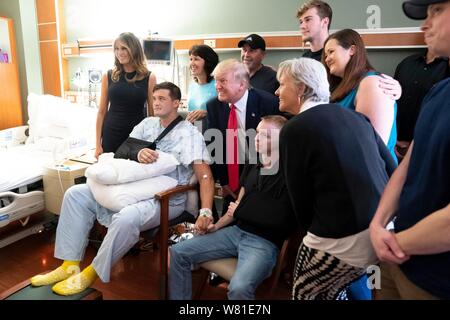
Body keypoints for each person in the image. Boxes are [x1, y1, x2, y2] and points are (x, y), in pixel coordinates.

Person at [30, 82, 215, 296]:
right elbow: (124, 149)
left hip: (166, 198)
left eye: (162, 99)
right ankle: (68, 265)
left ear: (176, 103)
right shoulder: (147, 124)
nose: (156, 103)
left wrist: (206, 211)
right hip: (133, 187)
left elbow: (205, 176)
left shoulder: (189, 134)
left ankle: (92, 272)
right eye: (154, 99)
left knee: (127, 217)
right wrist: (138, 153)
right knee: (75, 194)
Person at [277, 58, 396, 300]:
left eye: (282, 84)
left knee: (304, 294)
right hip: (382, 227)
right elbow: (391, 167)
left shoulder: (294, 129)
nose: (277, 91)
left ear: (301, 88)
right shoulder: (355, 117)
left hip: (341, 238)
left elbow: (300, 198)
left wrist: (315, 231)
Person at [369, 0, 450, 300]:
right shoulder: (439, 91)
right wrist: (379, 223)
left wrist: (393, 241)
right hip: (397, 259)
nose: (424, 25)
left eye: (437, 11)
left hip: (435, 279)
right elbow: (408, 165)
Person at [170, 115, 296, 300]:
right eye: (258, 133)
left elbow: (275, 218)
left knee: (239, 288)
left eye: (266, 135)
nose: (258, 138)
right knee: (178, 252)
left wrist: (244, 211)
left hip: (263, 243)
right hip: (236, 232)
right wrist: (216, 226)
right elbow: (237, 208)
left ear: (283, 139)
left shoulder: (289, 172)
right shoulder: (253, 163)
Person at [206, 59, 280, 215]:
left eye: (223, 81)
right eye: (216, 81)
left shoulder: (268, 104)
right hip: (231, 177)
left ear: (241, 85)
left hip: (259, 180)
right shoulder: (214, 106)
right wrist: (224, 182)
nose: (217, 86)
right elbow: (216, 147)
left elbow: (274, 149)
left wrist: (253, 183)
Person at [297, 0, 401, 100]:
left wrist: (394, 87)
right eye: (300, 22)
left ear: (325, 21)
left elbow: (361, 77)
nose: (302, 26)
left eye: (308, 20)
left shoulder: (342, 60)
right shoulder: (304, 59)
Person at [323, 29, 398, 163]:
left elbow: (372, 146)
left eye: (331, 52)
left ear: (352, 50)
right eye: (326, 54)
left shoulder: (371, 83)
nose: (327, 59)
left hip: (372, 177)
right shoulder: (341, 87)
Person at [95, 32, 157, 158]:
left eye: (124, 48)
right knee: (110, 173)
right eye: (116, 49)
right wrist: (97, 144)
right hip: (111, 134)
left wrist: (153, 141)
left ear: (134, 50)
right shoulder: (109, 76)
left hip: (136, 135)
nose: (119, 52)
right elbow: (101, 112)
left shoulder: (149, 77)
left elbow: (152, 115)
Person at [394, 47, 449, 161]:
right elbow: (392, 101)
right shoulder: (407, 62)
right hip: (393, 145)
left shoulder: (447, 68)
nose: (426, 28)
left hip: (427, 149)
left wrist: (416, 144)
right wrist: (392, 139)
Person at [185, 44, 219, 124]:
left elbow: (227, 113)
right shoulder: (192, 86)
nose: (192, 63)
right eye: (190, 59)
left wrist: (207, 113)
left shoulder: (218, 85)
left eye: (196, 59)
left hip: (213, 131)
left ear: (207, 62)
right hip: (194, 130)